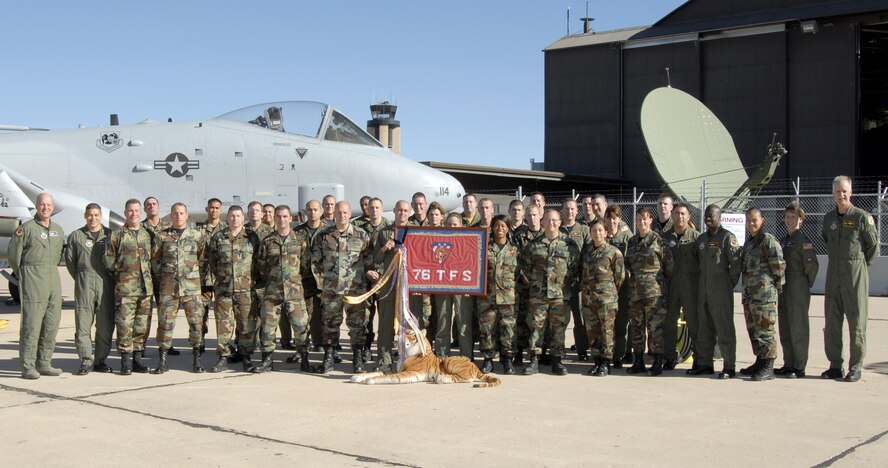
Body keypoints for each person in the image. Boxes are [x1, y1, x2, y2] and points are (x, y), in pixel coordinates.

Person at [821, 175, 878, 382]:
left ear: (851, 192)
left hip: (855, 277)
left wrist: (859, 267)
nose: (841, 195)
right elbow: (826, 238)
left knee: (856, 322)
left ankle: (855, 366)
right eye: (837, 191)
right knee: (832, 322)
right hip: (833, 276)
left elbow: (873, 247)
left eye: (844, 191)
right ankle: (835, 365)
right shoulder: (829, 219)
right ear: (833, 193)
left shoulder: (862, 217)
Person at [311, 201, 373, 374]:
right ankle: (328, 360)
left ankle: (357, 360)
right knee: (330, 325)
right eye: (339, 212)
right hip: (331, 290)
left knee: (357, 326)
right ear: (334, 214)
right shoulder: (323, 236)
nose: (342, 215)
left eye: (345, 212)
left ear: (350, 214)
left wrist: (365, 284)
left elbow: (369, 263)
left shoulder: (361, 235)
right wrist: (323, 284)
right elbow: (315, 263)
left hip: (355, 290)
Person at [9, 193, 65, 379]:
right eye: (42, 204)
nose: (45, 208)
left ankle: (44, 363)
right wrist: (24, 275)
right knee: (31, 325)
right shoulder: (26, 229)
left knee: (51, 323)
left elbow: (57, 256)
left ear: (53, 207)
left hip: (52, 279)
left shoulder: (58, 230)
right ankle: (28, 365)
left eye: (49, 205)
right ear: (36, 206)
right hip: (33, 278)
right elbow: (14, 257)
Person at [519, 209, 580, 375]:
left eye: (555, 220)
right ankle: (534, 361)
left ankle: (557, 361)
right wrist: (533, 282)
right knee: (536, 328)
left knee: (558, 329)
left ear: (560, 222)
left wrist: (564, 284)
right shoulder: (533, 245)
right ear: (543, 222)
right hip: (538, 295)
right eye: (548, 220)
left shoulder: (569, 244)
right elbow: (524, 266)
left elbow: (576, 269)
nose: (551, 223)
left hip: (560, 296)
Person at [253, 205, 312, 373]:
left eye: (285, 216)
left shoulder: (300, 240)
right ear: (274, 218)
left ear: (290, 218)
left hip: (294, 292)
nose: (282, 219)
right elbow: (261, 266)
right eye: (278, 216)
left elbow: (306, 265)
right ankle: (266, 360)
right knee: (268, 327)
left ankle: (304, 358)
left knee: (301, 327)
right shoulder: (267, 241)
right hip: (272, 292)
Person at [151, 203, 207, 374]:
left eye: (181, 213)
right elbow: (155, 261)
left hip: (192, 289)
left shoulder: (197, 236)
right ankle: (163, 361)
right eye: (175, 213)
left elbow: (203, 260)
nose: (178, 216)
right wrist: (165, 279)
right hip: (169, 289)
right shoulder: (161, 236)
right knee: (165, 325)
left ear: (187, 215)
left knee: (196, 324)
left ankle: (197, 361)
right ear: (171, 215)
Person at [207, 205, 262, 372]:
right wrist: (222, 279)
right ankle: (223, 357)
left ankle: (245, 357)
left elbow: (258, 262)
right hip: (224, 289)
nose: (235, 219)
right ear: (227, 217)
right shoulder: (218, 237)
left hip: (245, 289)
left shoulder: (252, 237)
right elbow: (213, 262)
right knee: (223, 324)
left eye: (238, 216)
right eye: (232, 216)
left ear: (243, 217)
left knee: (246, 324)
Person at [105, 199, 155, 375]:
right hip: (126, 289)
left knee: (142, 325)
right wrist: (122, 275)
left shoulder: (147, 234)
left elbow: (154, 259)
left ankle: (138, 359)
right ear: (125, 213)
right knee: (125, 325)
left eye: (136, 211)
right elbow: (109, 260)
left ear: (140, 212)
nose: (134, 214)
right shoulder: (117, 235)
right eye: (130, 211)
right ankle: (125, 361)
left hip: (145, 289)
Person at [690, 204, 741, 379]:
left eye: (712, 215)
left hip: (720, 290)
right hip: (703, 289)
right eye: (706, 215)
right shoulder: (702, 239)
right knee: (704, 327)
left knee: (724, 327)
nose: (708, 218)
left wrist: (727, 284)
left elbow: (736, 265)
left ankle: (729, 366)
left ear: (720, 217)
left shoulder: (727, 237)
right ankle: (705, 364)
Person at [64, 203, 114, 375]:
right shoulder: (76, 236)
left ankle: (100, 360)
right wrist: (82, 278)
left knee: (105, 325)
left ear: (101, 216)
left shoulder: (110, 235)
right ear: (85, 216)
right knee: (83, 325)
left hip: (105, 284)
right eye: (90, 215)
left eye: (96, 215)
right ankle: (86, 360)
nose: (93, 218)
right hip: (84, 283)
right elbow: (70, 262)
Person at [738, 207, 785, 381]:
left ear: (762, 220)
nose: (751, 223)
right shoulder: (750, 242)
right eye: (748, 220)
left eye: (754, 220)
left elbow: (779, 266)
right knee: (754, 329)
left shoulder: (767, 240)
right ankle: (760, 360)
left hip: (764, 295)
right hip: (751, 295)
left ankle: (769, 366)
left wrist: (776, 287)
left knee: (766, 329)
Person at [624, 208, 671, 376]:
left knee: (655, 329)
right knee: (636, 328)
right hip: (635, 292)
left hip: (654, 293)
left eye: (644, 219)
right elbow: (628, 265)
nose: (641, 222)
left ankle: (657, 361)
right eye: (638, 220)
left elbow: (669, 267)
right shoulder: (631, 242)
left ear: (650, 220)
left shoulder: (659, 241)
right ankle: (638, 361)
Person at [776, 202, 819, 378]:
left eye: (793, 217)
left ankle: (799, 366)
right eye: (787, 217)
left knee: (798, 325)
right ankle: (789, 363)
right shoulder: (784, 240)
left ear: (801, 219)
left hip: (797, 283)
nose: (789, 220)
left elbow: (812, 266)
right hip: (784, 285)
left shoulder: (803, 241)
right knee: (785, 325)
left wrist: (804, 283)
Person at [368, 200, 411, 370]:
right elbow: (375, 260)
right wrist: (384, 249)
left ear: (409, 212)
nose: (402, 213)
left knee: (410, 325)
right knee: (385, 325)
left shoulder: (416, 231)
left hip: (409, 287)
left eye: (406, 210)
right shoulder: (384, 233)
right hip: (389, 284)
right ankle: (384, 361)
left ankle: (409, 361)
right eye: (399, 210)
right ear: (394, 211)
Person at [581, 218, 625, 376]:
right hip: (588, 299)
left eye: (600, 230)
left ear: (606, 232)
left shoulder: (613, 252)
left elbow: (620, 277)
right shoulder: (586, 251)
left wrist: (609, 293)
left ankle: (606, 362)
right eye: (594, 230)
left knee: (606, 331)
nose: (597, 233)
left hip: (606, 299)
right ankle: (597, 361)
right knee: (592, 331)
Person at [477, 215, 519, 374]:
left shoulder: (515, 250)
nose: (499, 229)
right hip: (487, 297)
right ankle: (488, 360)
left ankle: (507, 360)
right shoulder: (484, 249)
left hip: (508, 298)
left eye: (503, 226)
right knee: (487, 329)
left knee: (508, 329)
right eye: (496, 226)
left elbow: (521, 274)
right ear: (491, 228)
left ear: (508, 228)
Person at [661, 202, 699, 370]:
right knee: (669, 323)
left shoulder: (697, 238)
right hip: (670, 288)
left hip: (691, 287)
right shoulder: (664, 238)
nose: (680, 216)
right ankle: (670, 357)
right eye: (676, 213)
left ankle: (700, 359)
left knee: (694, 324)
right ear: (672, 216)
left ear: (689, 216)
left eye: (683, 213)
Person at [434, 212, 474, 359]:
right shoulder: (439, 241)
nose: (452, 227)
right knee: (443, 323)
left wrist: (473, 286)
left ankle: (465, 359)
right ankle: (442, 357)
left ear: (461, 226)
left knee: (464, 325)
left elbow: (474, 264)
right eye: (449, 224)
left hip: (463, 287)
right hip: (443, 286)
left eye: (455, 224)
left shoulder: (469, 242)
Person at [142, 196, 178, 356]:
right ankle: (140, 346)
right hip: (145, 277)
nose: (151, 207)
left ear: (159, 207)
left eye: (154, 204)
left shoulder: (167, 228)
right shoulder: (140, 228)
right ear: (145, 209)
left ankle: (165, 344)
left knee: (165, 313)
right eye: (148, 205)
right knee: (144, 314)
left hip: (164, 279)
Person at [357, 197, 390, 362]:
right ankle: (366, 348)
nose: (374, 210)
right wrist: (366, 270)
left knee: (385, 316)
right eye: (371, 208)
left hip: (385, 279)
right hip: (366, 279)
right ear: (367, 210)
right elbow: (354, 255)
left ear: (382, 209)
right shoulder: (358, 227)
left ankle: (385, 349)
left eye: (377, 207)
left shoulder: (390, 228)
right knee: (366, 316)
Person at [294, 200, 328, 354]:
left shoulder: (328, 231)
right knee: (302, 315)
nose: (312, 212)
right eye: (309, 210)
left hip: (323, 279)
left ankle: (320, 342)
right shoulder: (297, 232)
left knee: (322, 314)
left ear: (321, 211)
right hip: (304, 279)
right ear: (305, 212)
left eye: (315, 209)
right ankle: (302, 347)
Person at [560, 198, 590, 361]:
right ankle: (557, 350)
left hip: (577, 282)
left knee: (579, 318)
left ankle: (582, 349)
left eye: (572, 209)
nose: (569, 212)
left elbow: (589, 252)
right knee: (559, 318)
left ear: (577, 211)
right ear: (562, 211)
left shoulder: (584, 229)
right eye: (566, 209)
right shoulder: (557, 228)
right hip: (560, 282)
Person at [197, 198, 227, 352]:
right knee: (201, 312)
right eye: (211, 208)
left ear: (221, 210)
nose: (214, 210)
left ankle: (224, 344)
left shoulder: (227, 229)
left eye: (217, 208)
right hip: (202, 279)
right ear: (206, 209)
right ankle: (199, 342)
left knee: (223, 314)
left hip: (221, 278)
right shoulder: (198, 230)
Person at [605, 205, 633, 368]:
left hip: (622, 285)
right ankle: (607, 354)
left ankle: (620, 355)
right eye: (609, 217)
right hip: (606, 286)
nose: (612, 221)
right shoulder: (602, 235)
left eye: (614, 217)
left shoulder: (626, 237)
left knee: (622, 322)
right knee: (607, 323)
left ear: (619, 218)